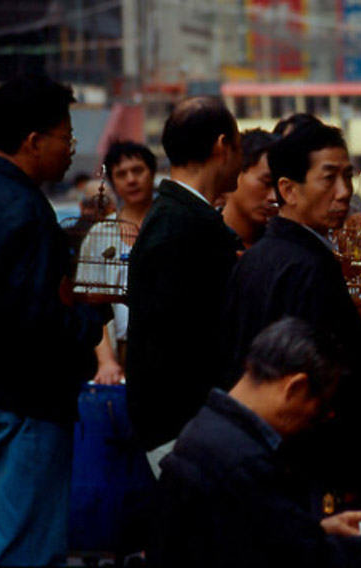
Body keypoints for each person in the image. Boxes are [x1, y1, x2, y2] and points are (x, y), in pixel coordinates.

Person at [150, 317, 361, 568]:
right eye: (321, 407)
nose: (324, 417)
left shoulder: (206, 430)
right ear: (295, 387)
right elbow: (297, 558)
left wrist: (318, 530)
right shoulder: (244, 463)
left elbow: (258, 536)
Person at [221, 119, 361, 509]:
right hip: (305, 467)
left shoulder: (259, 256)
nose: (344, 193)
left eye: (348, 177)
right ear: (288, 190)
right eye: (329, 179)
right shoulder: (309, 267)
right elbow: (316, 383)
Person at [0, 75, 112, 566]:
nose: (72, 149)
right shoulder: (25, 210)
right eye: (67, 136)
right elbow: (38, 321)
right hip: (28, 404)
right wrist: (89, 317)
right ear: (33, 141)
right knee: (28, 546)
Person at [126, 96, 243, 476]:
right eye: (239, 146)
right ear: (223, 147)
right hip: (184, 429)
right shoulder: (179, 225)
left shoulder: (184, 217)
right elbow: (175, 344)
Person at [77, 141, 157, 385]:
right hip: (121, 351)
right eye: (121, 174)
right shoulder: (101, 234)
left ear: (152, 173)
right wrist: (106, 361)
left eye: (138, 170)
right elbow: (89, 300)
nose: (131, 180)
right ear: (112, 182)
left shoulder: (170, 223)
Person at [222, 128, 279, 249]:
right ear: (236, 172)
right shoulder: (202, 239)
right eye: (266, 183)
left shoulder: (285, 247)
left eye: (280, 187)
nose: (274, 197)